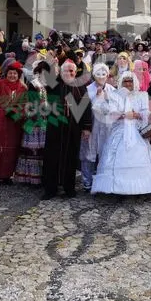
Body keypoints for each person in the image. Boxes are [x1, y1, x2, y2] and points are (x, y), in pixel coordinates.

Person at [90, 71, 151, 195]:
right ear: (121, 82)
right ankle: (114, 188)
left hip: (136, 131)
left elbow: (146, 113)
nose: (128, 83)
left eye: (130, 81)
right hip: (119, 130)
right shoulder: (114, 95)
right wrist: (123, 115)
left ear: (135, 82)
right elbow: (109, 112)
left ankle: (143, 188)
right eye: (125, 81)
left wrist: (136, 114)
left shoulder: (142, 95)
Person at [42, 59, 92, 199]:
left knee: (70, 158)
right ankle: (50, 189)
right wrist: (52, 65)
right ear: (61, 72)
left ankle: (68, 188)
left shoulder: (80, 87)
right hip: (55, 128)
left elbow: (86, 109)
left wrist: (87, 128)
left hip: (73, 129)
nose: (69, 73)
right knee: (52, 158)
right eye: (66, 70)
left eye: (72, 71)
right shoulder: (54, 84)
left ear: (75, 72)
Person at [82, 63, 114, 190]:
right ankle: (87, 181)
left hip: (107, 126)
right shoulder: (88, 89)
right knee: (89, 153)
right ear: (94, 75)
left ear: (107, 75)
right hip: (92, 125)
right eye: (98, 74)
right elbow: (84, 109)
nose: (101, 77)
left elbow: (115, 108)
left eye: (103, 74)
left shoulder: (112, 89)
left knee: (105, 152)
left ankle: (102, 180)